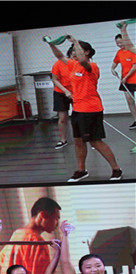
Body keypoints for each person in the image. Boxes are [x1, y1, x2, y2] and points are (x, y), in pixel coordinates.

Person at [47, 35, 123, 181]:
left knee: (95, 141)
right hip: (78, 109)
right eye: (73, 50)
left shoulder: (92, 66)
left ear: (87, 52)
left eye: (77, 50)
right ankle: (81, 170)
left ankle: (116, 169)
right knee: (78, 141)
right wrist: (51, 44)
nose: (74, 52)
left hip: (91, 109)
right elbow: (60, 56)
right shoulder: (73, 65)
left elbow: (83, 60)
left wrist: (75, 41)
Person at [51, 44, 75, 149]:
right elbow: (54, 79)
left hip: (76, 92)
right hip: (61, 92)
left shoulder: (79, 64)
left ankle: (88, 139)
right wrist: (65, 91)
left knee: (81, 116)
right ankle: (63, 139)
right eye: (73, 53)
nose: (75, 55)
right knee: (62, 118)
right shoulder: (59, 64)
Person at [111, 31, 136, 129]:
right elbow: (114, 63)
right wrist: (112, 69)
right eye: (117, 43)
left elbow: (134, 66)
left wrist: (126, 77)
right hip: (125, 81)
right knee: (130, 100)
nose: (119, 44)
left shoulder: (132, 51)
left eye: (121, 42)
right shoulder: (119, 52)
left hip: (133, 79)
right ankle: (135, 120)